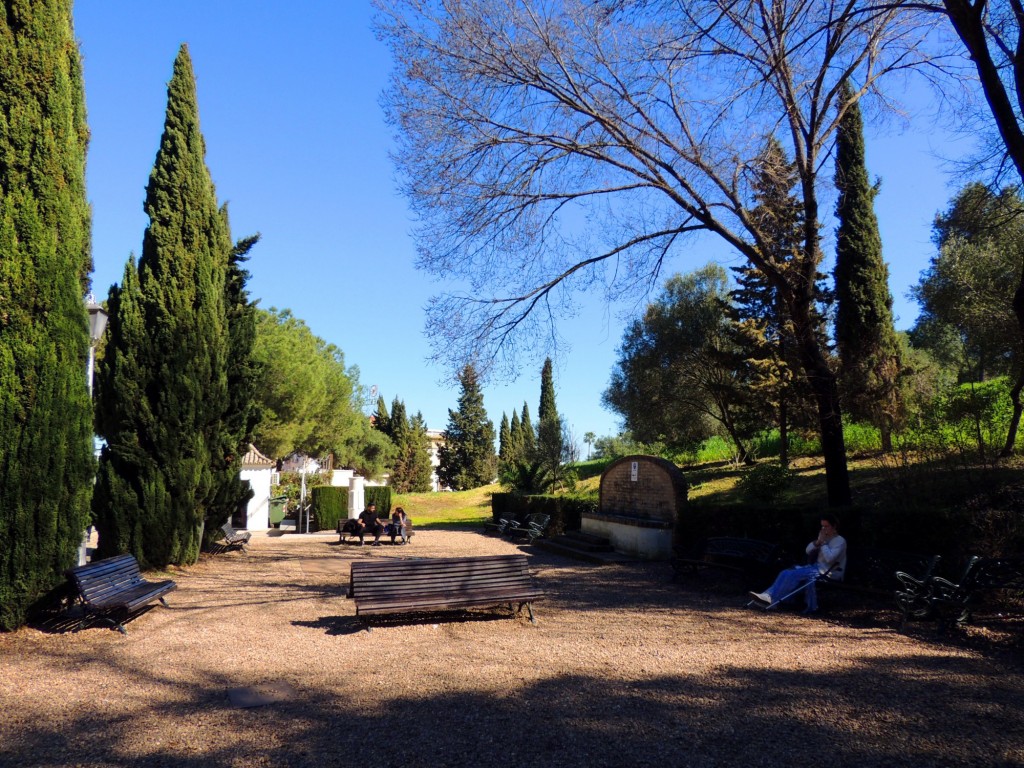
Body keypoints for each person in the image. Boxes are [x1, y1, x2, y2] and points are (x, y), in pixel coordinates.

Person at [749, 514, 847, 614]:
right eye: (822, 526)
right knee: (785, 572)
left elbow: (830, 559)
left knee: (793, 574)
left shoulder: (840, 541)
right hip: (816, 569)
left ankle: (772, 599)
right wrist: (817, 542)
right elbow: (808, 551)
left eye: (826, 526)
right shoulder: (823, 538)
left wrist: (823, 544)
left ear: (834, 526)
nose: (824, 529)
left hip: (830, 572)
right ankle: (767, 595)